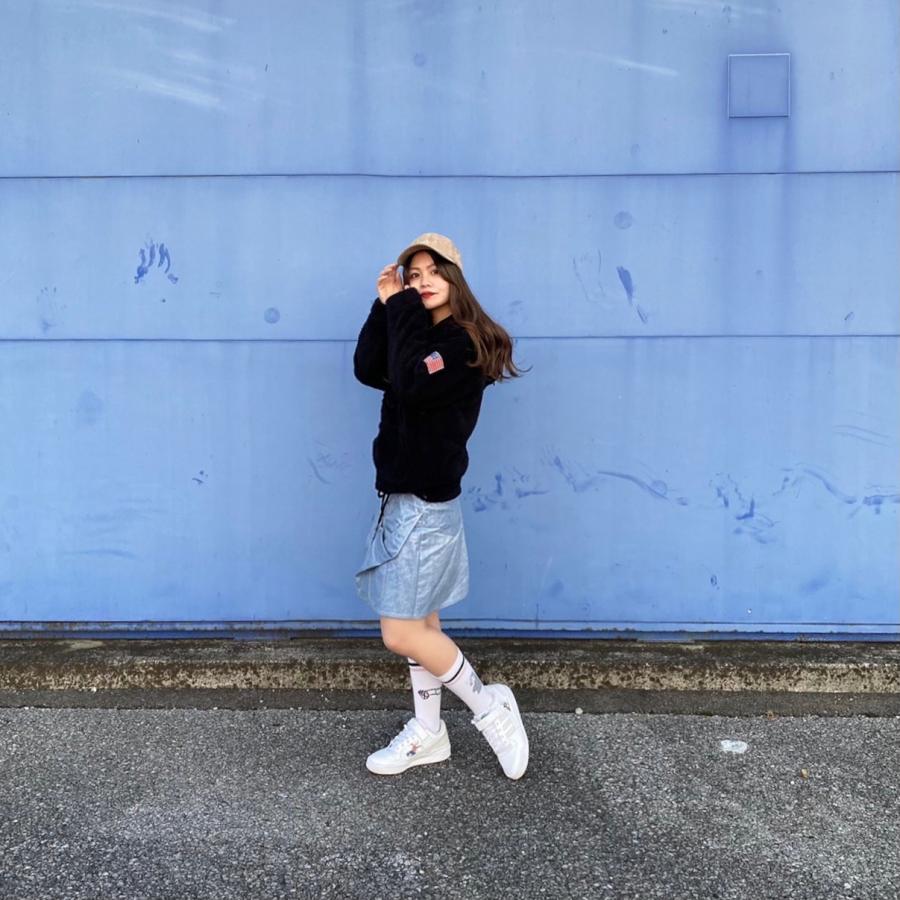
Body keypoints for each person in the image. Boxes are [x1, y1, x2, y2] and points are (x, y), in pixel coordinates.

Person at [352, 232, 531, 780]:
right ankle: (429, 731)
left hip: (425, 509)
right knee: (423, 625)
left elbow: (412, 383)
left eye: (434, 271)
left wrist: (402, 307)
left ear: (455, 278)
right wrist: (384, 306)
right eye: (415, 274)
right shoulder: (420, 336)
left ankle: (489, 708)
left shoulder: (460, 344)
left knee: (401, 632)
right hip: (402, 500)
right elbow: (369, 369)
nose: (423, 281)